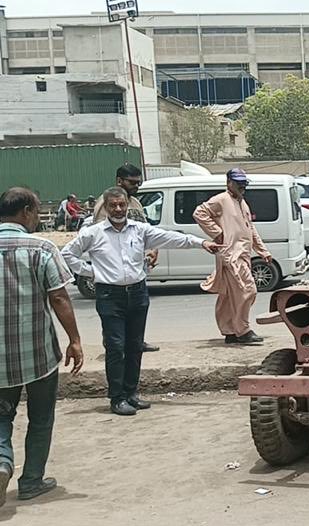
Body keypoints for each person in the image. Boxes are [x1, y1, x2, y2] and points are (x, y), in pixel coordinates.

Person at [62, 187, 220, 416]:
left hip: (137, 294)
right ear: (105, 207)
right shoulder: (93, 233)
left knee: (135, 346)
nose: (118, 209)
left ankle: (131, 393)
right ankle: (117, 398)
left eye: (121, 205)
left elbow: (172, 238)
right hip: (109, 296)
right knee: (116, 347)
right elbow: (67, 254)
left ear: (128, 205)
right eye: (113, 205)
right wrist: (91, 272)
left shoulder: (139, 230)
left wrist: (202, 243)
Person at [0, 188, 84, 506]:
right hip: (37, 355)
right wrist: (75, 340)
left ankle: (2, 461)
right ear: (26, 211)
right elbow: (59, 297)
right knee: (41, 418)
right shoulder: (41, 248)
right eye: (35, 211)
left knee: (1, 417)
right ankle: (32, 480)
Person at [193, 168, 273, 345]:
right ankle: (242, 330)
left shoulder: (242, 203)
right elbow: (199, 213)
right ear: (229, 182)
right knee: (248, 290)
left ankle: (229, 331)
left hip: (242, 254)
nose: (242, 186)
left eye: (244, 183)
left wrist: (263, 251)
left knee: (230, 296)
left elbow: (250, 229)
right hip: (231, 255)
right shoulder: (221, 199)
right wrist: (217, 233)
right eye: (238, 183)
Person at [94, 163, 161, 353]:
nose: (136, 187)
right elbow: (101, 236)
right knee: (114, 316)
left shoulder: (135, 203)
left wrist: (153, 249)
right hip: (114, 273)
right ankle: (114, 346)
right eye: (132, 182)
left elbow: (146, 230)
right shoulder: (106, 204)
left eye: (138, 183)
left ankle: (136, 342)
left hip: (136, 267)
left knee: (136, 312)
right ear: (119, 181)